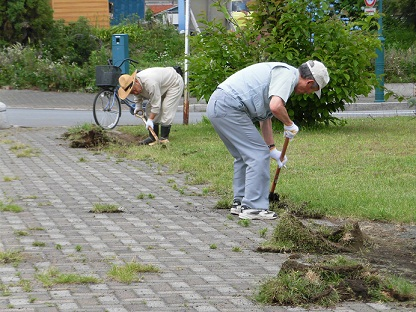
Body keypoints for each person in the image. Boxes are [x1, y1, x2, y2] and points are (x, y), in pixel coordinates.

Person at [206, 60, 329, 220]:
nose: (308, 93)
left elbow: (265, 118)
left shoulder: (283, 75)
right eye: (312, 90)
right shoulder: (287, 75)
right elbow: (276, 107)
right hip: (228, 106)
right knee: (257, 154)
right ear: (310, 82)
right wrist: (289, 124)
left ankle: (240, 202)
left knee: (244, 156)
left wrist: (272, 149)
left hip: (219, 104)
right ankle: (253, 208)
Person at [118, 67, 184, 145]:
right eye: (132, 92)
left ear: (136, 81)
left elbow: (156, 106)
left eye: (134, 90)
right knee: (149, 108)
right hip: (161, 85)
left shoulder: (150, 83)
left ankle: (164, 138)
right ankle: (152, 137)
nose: (135, 92)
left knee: (166, 107)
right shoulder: (136, 85)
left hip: (174, 83)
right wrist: (138, 106)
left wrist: (150, 120)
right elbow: (137, 94)